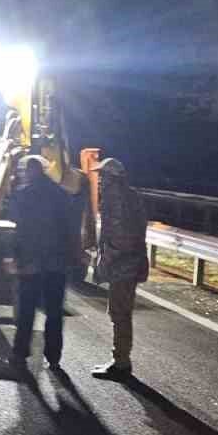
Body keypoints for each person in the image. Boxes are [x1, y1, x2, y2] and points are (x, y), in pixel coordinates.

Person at [7, 153, 80, 372]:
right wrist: (71, 256)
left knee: (26, 310)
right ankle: (54, 357)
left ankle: (20, 353)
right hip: (56, 263)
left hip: (31, 262)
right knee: (54, 312)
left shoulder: (23, 195)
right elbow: (71, 229)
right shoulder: (62, 195)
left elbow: (17, 230)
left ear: (29, 172)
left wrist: (15, 256)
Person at [90, 158, 149, 379]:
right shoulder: (130, 196)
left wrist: (104, 265)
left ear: (112, 178)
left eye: (102, 176)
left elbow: (119, 239)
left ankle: (121, 363)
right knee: (121, 312)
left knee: (120, 313)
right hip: (130, 264)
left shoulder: (116, 199)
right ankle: (120, 360)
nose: (99, 180)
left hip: (123, 265)